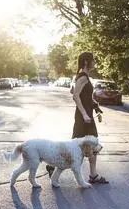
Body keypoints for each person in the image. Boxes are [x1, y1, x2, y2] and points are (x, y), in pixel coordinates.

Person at [46, 52, 109, 184]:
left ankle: (92, 174)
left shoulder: (83, 76)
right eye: (93, 61)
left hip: (86, 116)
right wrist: (85, 114)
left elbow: (85, 95)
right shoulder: (83, 77)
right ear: (86, 62)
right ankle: (93, 175)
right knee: (92, 143)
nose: (95, 63)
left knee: (79, 145)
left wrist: (95, 105)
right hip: (84, 118)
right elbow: (76, 96)